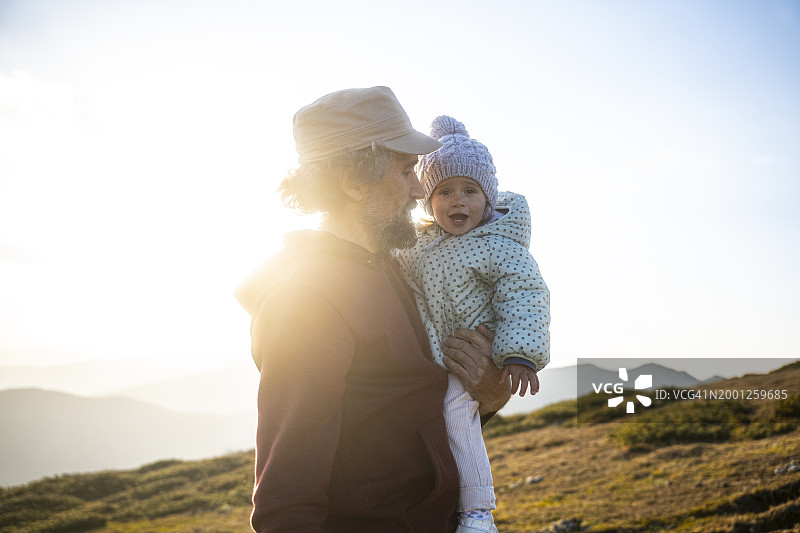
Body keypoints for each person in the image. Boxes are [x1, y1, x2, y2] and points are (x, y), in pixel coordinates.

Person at [235, 87, 511, 533]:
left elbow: (401, 413)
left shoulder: (388, 267)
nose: (419, 188)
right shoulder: (307, 298)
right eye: (406, 170)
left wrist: (488, 398)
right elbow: (286, 500)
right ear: (352, 181)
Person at [393, 115, 551, 533]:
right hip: (438, 358)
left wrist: (519, 355)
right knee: (435, 418)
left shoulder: (500, 246)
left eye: (470, 190)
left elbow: (525, 295)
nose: (457, 201)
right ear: (428, 202)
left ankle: (478, 512)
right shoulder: (425, 246)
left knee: (454, 412)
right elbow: (395, 263)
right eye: (444, 191)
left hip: (477, 355)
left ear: (488, 197)